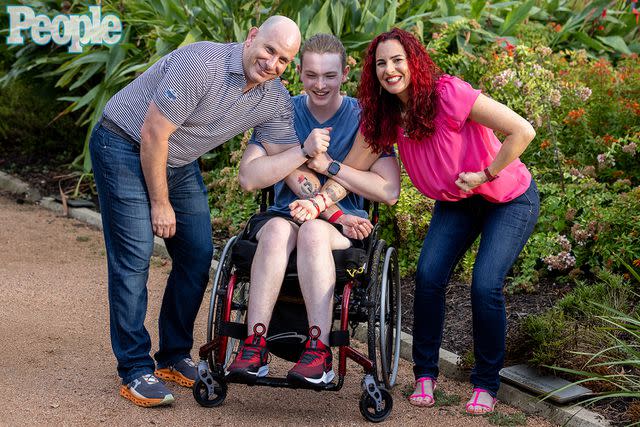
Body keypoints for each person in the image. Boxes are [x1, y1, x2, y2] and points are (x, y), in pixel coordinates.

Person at [89, 16, 303, 407]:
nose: (272, 63)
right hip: (123, 140)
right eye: (269, 50)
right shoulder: (201, 63)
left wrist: (325, 200)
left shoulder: (273, 98)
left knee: (197, 254)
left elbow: (287, 159)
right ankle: (135, 369)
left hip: (176, 159)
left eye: (284, 60)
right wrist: (160, 203)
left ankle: (172, 356)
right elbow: (153, 133)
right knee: (134, 256)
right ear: (252, 36)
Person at [356, 28, 540, 414]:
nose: (389, 70)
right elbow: (358, 162)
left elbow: (522, 130)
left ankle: (486, 383)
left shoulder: (447, 94)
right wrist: (326, 180)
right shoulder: (390, 114)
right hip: (458, 202)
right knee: (428, 276)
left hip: (507, 198)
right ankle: (425, 373)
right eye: (381, 63)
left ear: (414, 62)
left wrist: (486, 174)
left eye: (397, 60)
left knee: (485, 284)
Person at [227, 34, 400, 386]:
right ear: (299, 74)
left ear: (345, 73)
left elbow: (388, 190)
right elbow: (249, 177)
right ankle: (254, 342)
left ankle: (318, 349)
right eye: (311, 75)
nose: (320, 85)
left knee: (312, 231)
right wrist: (301, 153)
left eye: (329, 76)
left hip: (342, 228)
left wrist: (331, 168)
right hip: (284, 214)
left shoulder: (364, 116)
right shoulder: (282, 111)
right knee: (277, 229)